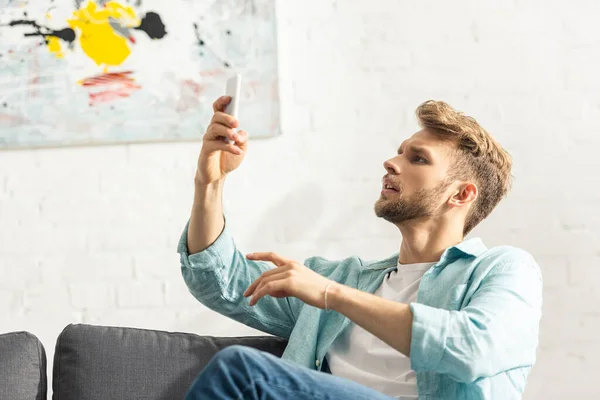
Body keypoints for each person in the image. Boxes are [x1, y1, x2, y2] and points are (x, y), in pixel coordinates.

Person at [177, 96, 542, 400]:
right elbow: (219, 281)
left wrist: (330, 294)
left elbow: (472, 349)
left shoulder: (504, 269)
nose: (391, 162)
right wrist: (209, 181)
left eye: (417, 158)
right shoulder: (345, 278)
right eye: (399, 152)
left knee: (242, 372)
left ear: (461, 194)